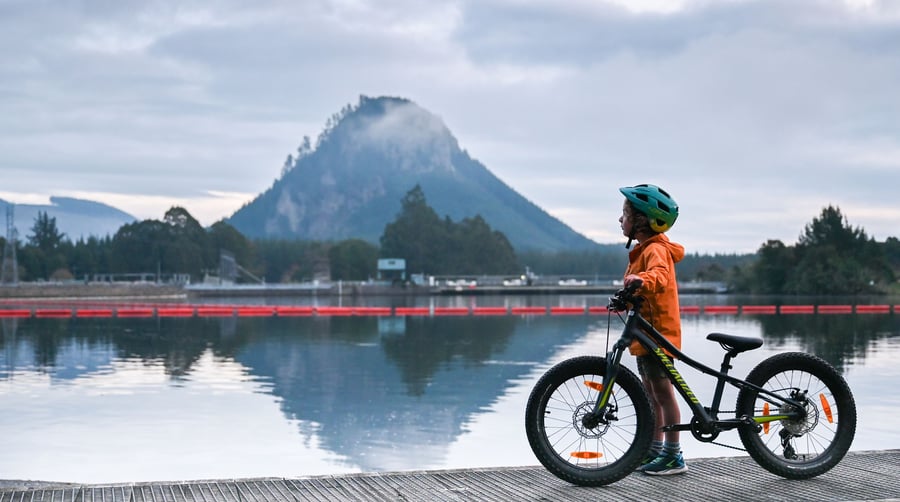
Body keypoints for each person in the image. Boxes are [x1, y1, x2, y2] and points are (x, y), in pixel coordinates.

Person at [618, 183, 687, 476]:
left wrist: (642, 281)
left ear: (641, 221)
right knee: (650, 393)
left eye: (625, 215)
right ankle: (656, 449)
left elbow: (658, 276)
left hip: (659, 334)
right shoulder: (642, 251)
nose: (620, 220)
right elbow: (636, 286)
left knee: (663, 393)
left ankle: (673, 454)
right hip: (646, 334)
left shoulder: (656, 249)